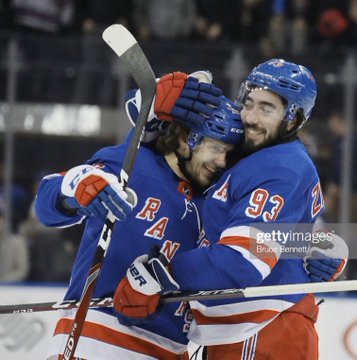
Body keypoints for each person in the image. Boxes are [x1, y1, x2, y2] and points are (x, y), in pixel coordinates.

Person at [114, 59, 349, 359]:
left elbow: (243, 261)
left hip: (263, 330)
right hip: (242, 331)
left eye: (267, 109)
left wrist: (161, 276)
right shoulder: (251, 154)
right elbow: (278, 237)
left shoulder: (281, 166)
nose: (250, 117)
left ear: (293, 119)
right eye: (248, 102)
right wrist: (324, 245)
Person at [34, 72, 244, 359]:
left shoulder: (219, 199)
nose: (221, 162)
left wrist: (319, 248)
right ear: (185, 139)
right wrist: (75, 188)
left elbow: (267, 237)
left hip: (173, 351)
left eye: (228, 154)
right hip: (96, 343)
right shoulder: (133, 164)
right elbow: (45, 206)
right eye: (216, 148)